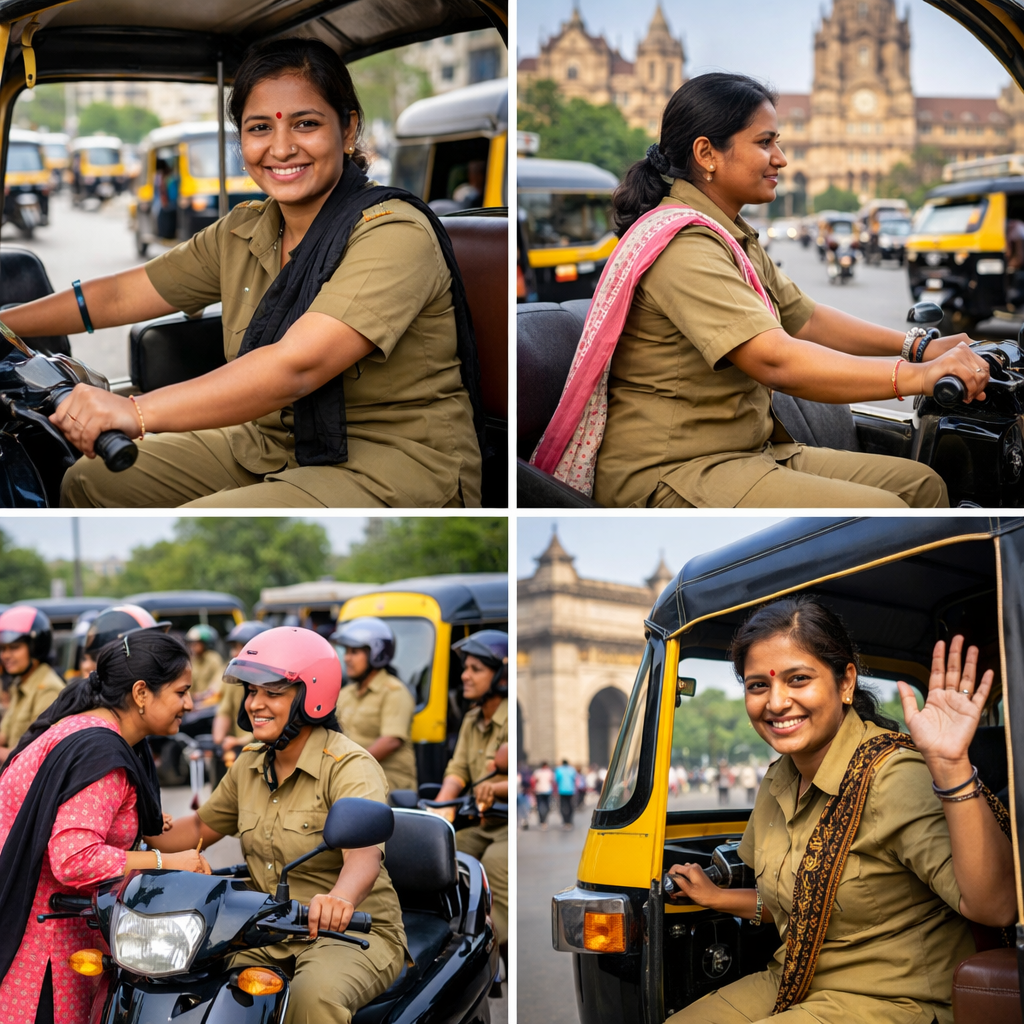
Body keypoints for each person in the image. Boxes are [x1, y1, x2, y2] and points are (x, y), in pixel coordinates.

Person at [1, 38, 483, 509]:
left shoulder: (394, 232)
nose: (281, 147)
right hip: (271, 443)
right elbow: (122, 296)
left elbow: (296, 366)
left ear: (349, 128)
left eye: (306, 124)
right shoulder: (246, 228)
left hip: (390, 461)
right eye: (259, 129)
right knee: (89, 480)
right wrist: (7, 324)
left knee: (193, 522)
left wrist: (134, 412)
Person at [532, 73, 993, 508]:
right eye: (765, 143)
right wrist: (915, 377)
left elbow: (808, 319)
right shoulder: (683, 243)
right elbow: (774, 359)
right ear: (707, 154)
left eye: (779, 142)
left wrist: (920, 346)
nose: (781, 159)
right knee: (889, 508)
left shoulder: (729, 232)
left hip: (746, 450)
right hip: (673, 470)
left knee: (923, 484)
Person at [666, 596, 1014, 1024]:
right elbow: (796, 902)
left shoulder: (893, 776)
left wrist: (951, 765)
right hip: (795, 979)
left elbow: (997, 907)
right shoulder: (778, 781)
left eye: (797, 679)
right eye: (758, 685)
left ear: (846, 682)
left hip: (895, 1000)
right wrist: (716, 897)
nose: (776, 702)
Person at [154, 626, 408, 1024]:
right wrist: (127, 822)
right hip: (267, 934)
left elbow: (363, 857)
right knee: (196, 986)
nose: (256, 703)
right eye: (252, 692)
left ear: (312, 696)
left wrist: (339, 899)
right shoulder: (250, 764)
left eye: (273, 693)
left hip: (350, 934)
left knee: (313, 998)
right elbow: (196, 830)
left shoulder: (349, 766)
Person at [0, 630, 210, 1024]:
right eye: (181, 691)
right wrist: (168, 861)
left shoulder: (77, 727)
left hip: (28, 929)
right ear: (142, 692)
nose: (189, 703)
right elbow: (74, 858)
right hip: (43, 949)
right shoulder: (102, 754)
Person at [427, 631, 508, 952]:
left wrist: (496, 788)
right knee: (446, 855)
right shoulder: (472, 719)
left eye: (476, 669)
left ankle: (490, 945)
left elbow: (509, 775)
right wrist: (440, 809)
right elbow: (457, 770)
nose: (465, 675)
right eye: (466, 668)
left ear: (499, 675)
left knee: (495, 863)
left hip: (505, 829)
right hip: (480, 823)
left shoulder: (509, 719)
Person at [331, 617, 417, 794]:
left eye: (354, 652)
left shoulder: (394, 692)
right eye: (346, 651)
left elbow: (391, 741)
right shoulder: (346, 693)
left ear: (376, 654)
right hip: (351, 776)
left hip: (388, 780)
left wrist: (348, 765)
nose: (346, 658)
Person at [0, 607, 65, 764]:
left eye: (14, 648)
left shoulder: (48, 689)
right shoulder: (20, 684)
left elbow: (35, 758)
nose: (6, 655)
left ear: (36, 648)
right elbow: (4, 735)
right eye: (2, 649)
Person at [211, 620, 270, 757]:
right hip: (240, 749)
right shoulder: (234, 679)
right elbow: (224, 710)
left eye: (241, 647)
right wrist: (217, 743)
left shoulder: (270, 683)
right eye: (234, 647)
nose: (235, 653)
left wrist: (239, 741)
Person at [186, 624, 225, 705]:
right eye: (191, 643)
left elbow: (218, 681)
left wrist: (205, 694)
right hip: (195, 704)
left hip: (210, 703)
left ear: (206, 643)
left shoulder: (213, 659)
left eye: (196, 643)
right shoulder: (191, 661)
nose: (192, 646)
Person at [555, 759, 577, 829]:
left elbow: (556, 780)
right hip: (570, 790)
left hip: (562, 790)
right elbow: (574, 779)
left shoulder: (559, 769)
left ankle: (565, 821)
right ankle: (570, 821)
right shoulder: (572, 769)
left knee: (562, 806)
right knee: (570, 806)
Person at [533, 760, 554, 829]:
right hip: (543, 791)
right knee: (543, 806)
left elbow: (534, 781)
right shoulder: (547, 772)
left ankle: (543, 819)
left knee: (543, 806)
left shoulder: (539, 772)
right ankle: (543, 820)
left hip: (543, 791)